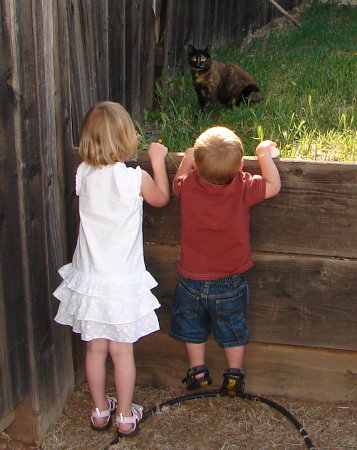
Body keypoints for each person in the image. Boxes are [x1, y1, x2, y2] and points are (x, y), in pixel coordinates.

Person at [53, 101, 170, 437]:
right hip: (121, 283)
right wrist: (158, 160)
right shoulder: (134, 178)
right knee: (122, 352)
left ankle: (100, 411)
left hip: (90, 280)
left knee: (95, 349)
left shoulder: (84, 174)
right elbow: (161, 197)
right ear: (126, 139)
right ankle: (125, 416)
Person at [169, 126, 281, 396]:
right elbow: (273, 186)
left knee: (191, 326)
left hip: (191, 280)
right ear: (241, 165)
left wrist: (186, 157)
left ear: (197, 163)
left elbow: (177, 182)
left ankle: (197, 372)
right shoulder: (243, 185)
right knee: (231, 327)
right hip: (229, 280)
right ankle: (233, 375)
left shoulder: (189, 186)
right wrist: (264, 154)